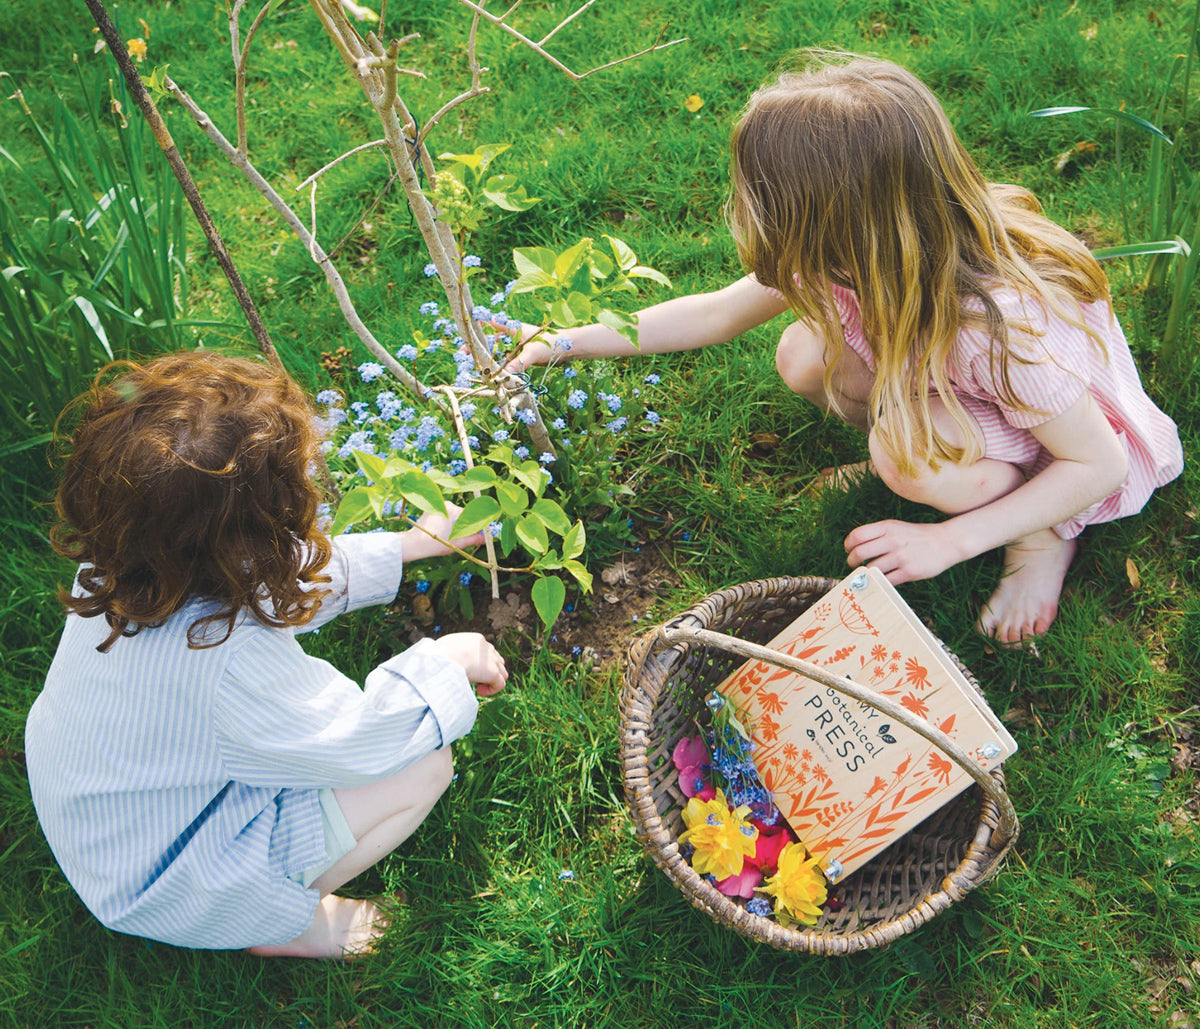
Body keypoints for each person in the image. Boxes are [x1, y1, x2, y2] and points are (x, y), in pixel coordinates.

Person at [505, 52, 1183, 645]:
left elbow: (1097, 462)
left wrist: (950, 540)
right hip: (957, 386)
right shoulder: (850, 256)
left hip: (1060, 448)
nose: (747, 210)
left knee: (904, 453)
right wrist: (562, 342)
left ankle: (1038, 537)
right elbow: (715, 313)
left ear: (831, 220)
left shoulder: (998, 325)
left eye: (763, 200)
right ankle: (937, 468)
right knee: (804, 356)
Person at [25, 352, 507, 958]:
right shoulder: (229, 665)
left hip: (112, 824)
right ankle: (280, 925)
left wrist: (407, 546)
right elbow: (358, 741)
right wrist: (447, 663)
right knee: (424, 764)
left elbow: (272, 581)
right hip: (174, 882)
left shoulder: (127, 567)